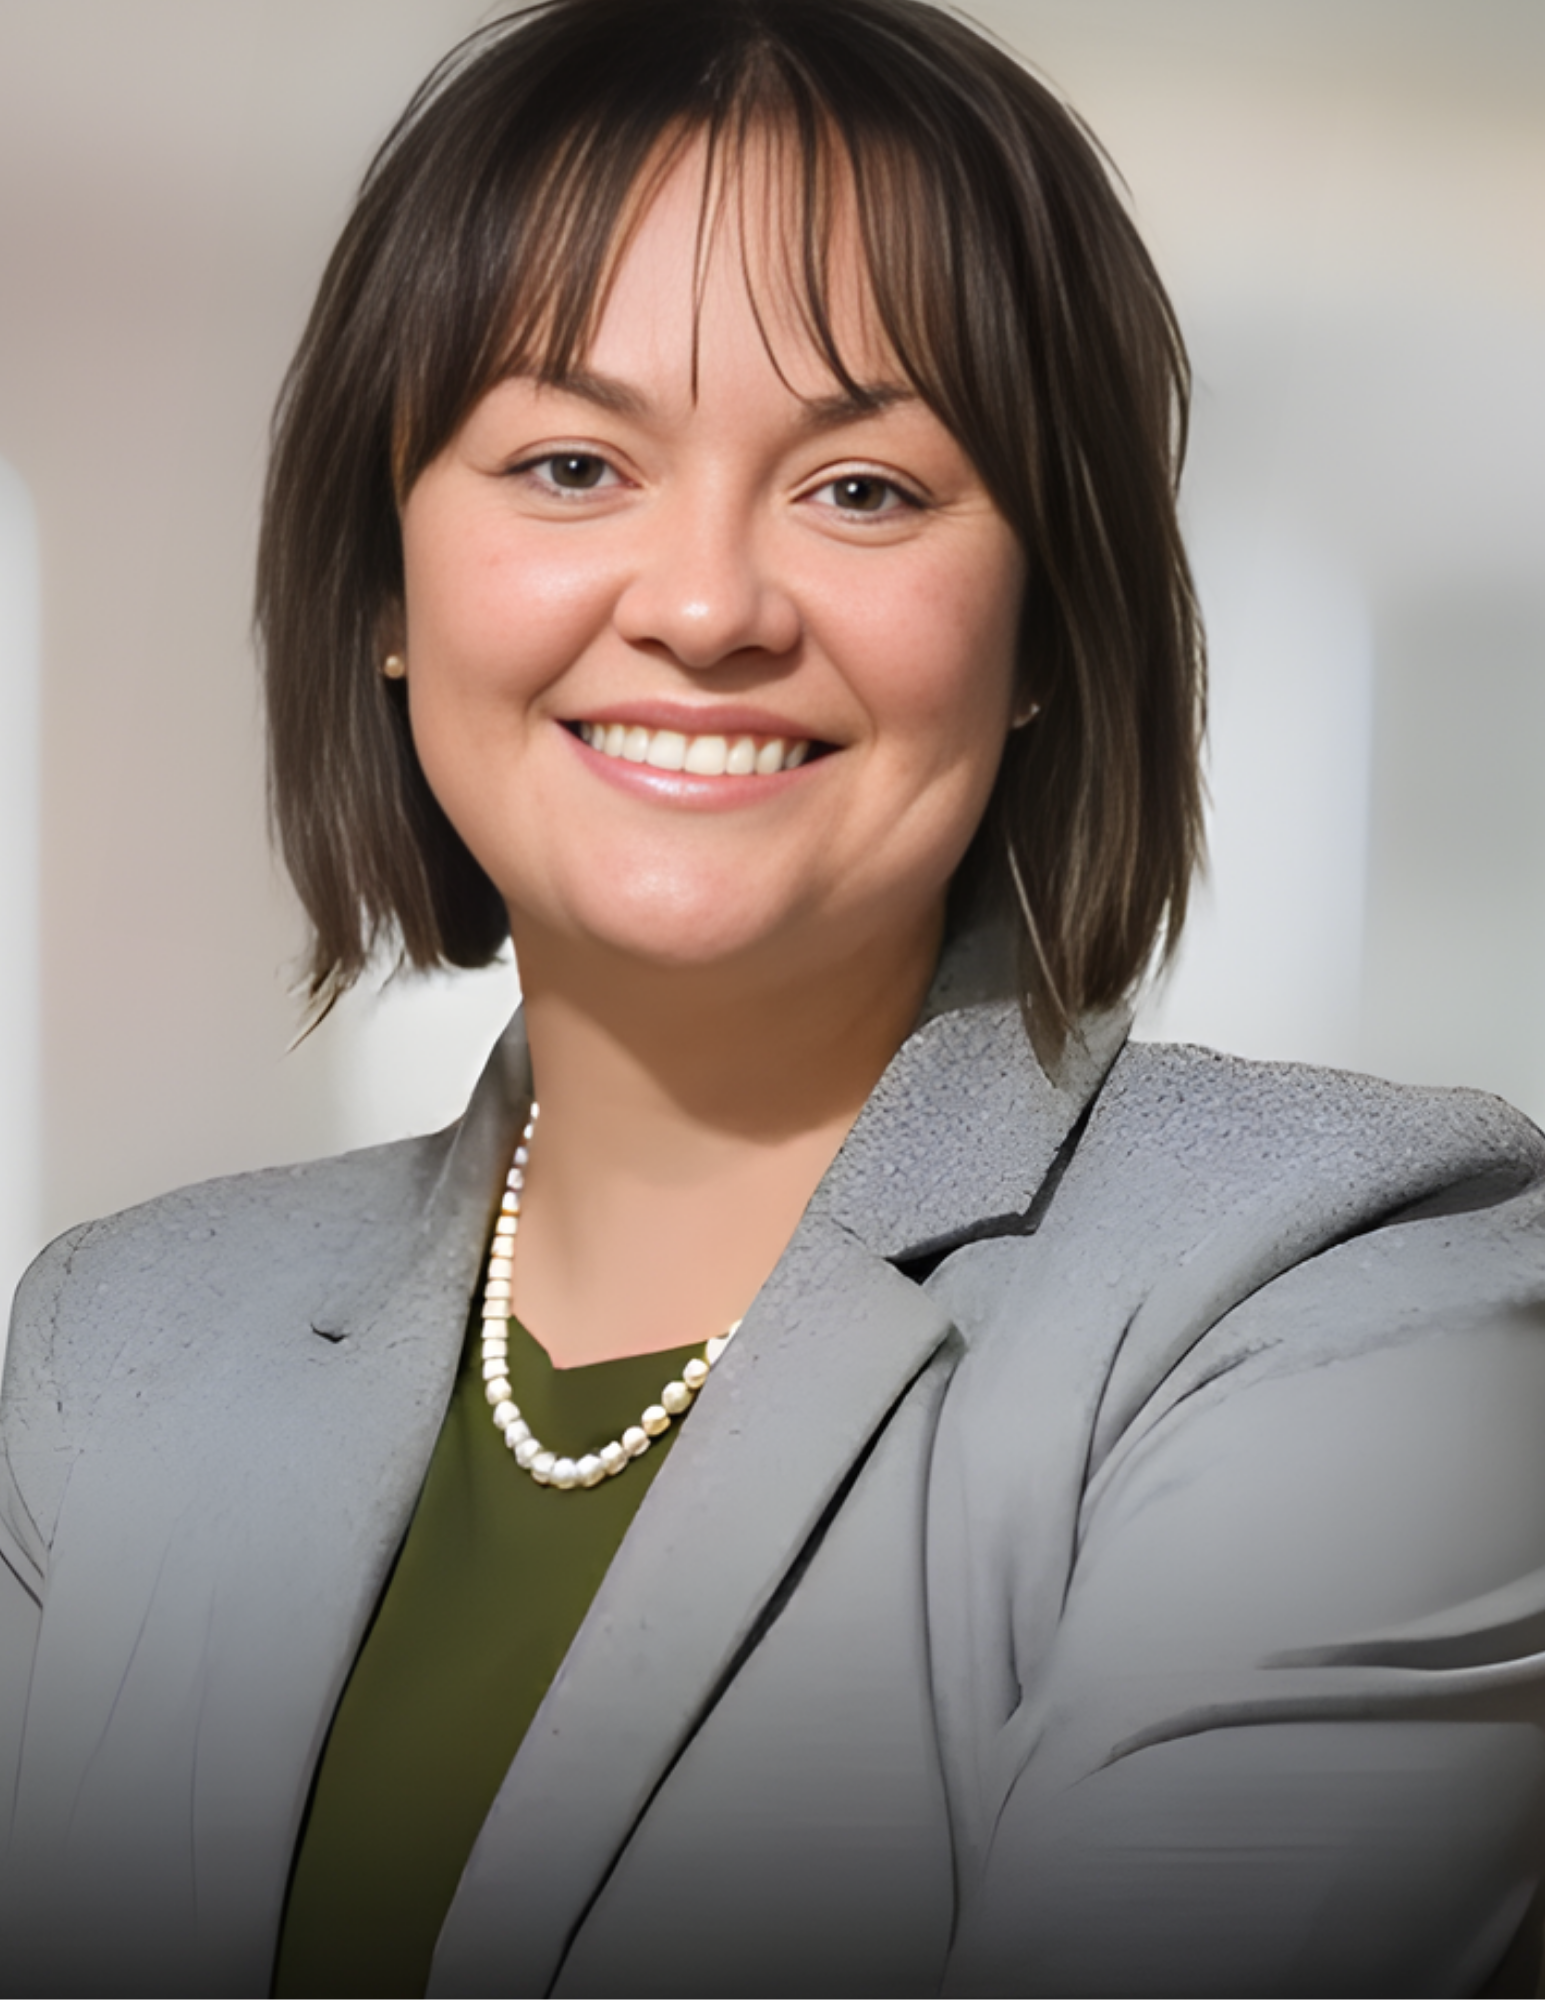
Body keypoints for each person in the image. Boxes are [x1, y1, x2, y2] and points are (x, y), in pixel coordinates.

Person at [3, 0, 1544, 1994]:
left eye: (863, 492)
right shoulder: (115, 1360)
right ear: (389, 591)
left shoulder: (1345, 1305)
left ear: (1040, 629)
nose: (709, 603)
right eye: (570, 462)